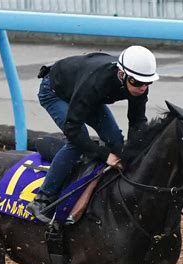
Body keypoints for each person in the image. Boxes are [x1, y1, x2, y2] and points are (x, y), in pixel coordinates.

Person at [26, 45, 159, 223]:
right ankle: (43, 199)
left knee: (116, 141)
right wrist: (105, 155)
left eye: (148, 82)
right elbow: (73, 130)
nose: (143, 88)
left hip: (88, 96)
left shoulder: (138, 84)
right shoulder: (96, 82)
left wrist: (135, 155)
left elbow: (137, 122)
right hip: (55, 92)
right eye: (137, 82)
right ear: (122, 74)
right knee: (77, 140)